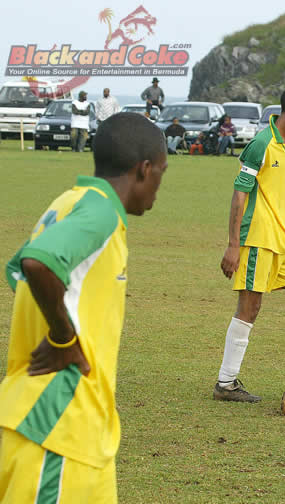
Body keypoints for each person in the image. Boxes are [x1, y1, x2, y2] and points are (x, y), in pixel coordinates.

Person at [0, 112, 167, 502]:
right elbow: (35, 263)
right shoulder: (101, 212)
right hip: (57, 426)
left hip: (83, 433)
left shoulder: (70, 201)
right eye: (162, 172)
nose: (160, 185)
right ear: (144, 170)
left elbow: (16, 271)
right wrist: (63, 337)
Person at [215, 85, 285, 403]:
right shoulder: (262, 144)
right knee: (250, 308)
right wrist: (233, 245)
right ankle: (226, 382)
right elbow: (240, 194)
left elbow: (275, 191)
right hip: (257, 240)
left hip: (284, 241)